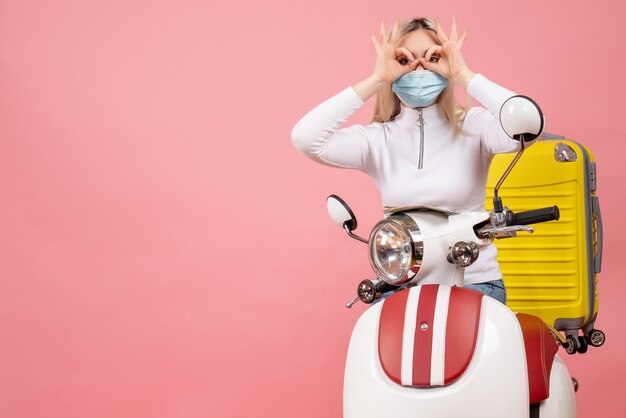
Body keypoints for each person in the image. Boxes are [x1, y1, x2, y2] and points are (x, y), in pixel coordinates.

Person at [290, 16, 538, 304]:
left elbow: (528, 125)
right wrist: (377, 79)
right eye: (405, 60)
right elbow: (305, 138)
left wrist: (463, 73)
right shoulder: (378, 139)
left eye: (433, 57)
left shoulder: (475, 125)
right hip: (401, 286)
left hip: (474, 284)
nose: (420, 68)